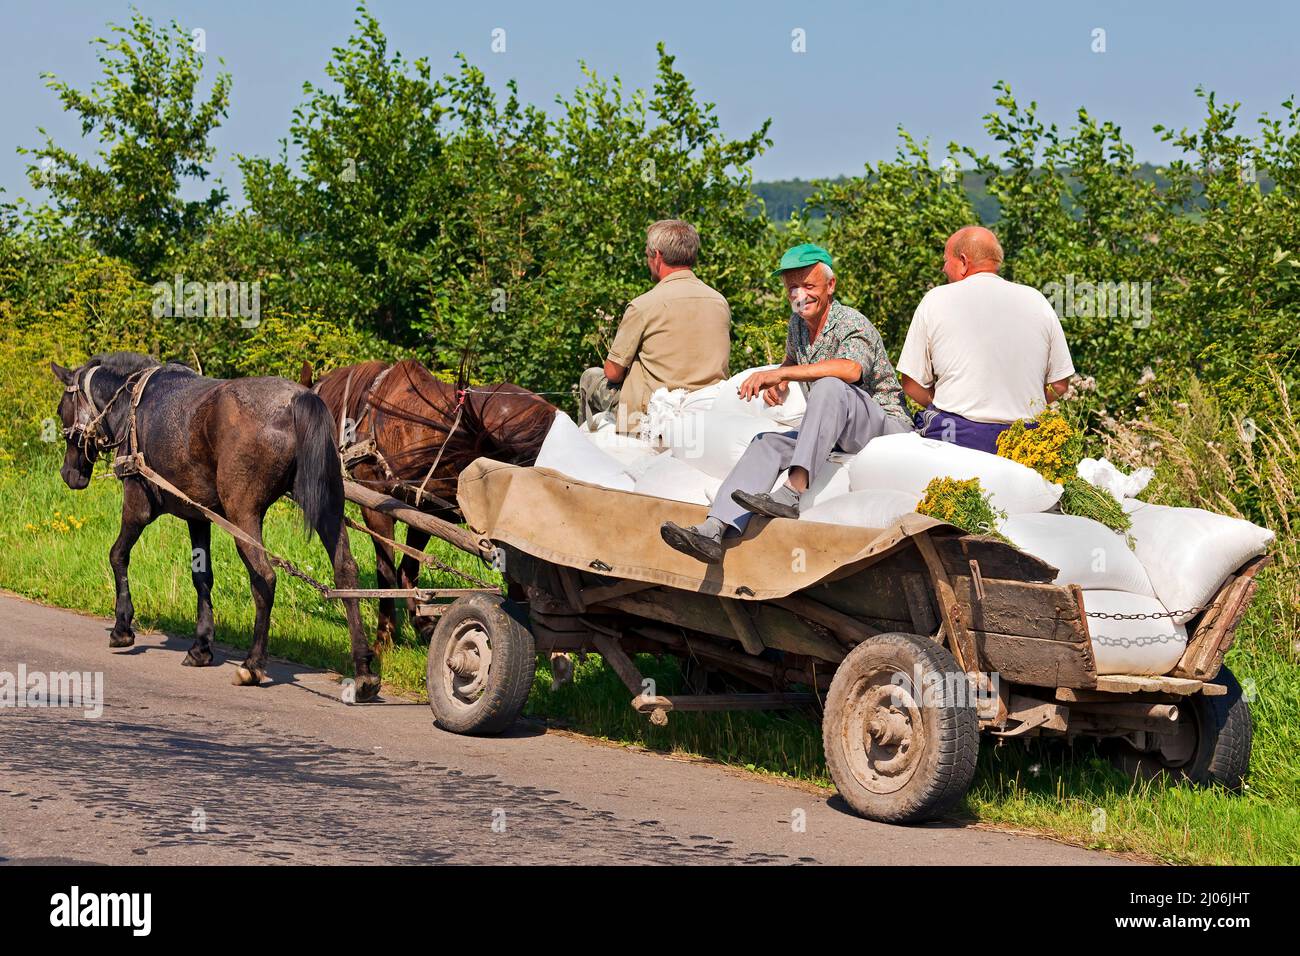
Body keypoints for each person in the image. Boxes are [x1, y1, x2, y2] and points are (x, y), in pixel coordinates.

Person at [661, 243, 912, 564]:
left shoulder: (852, 323)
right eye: (793, 287)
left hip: (882, 428)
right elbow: (792, 360)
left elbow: (850, 370)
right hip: (834, 432)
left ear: (830, 286)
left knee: (830, 386)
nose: (800, 295)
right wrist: (780, 380)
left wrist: (784, 374)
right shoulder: (797, 326)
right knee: (766, 443)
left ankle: (792, 494)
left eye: (808, 286)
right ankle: (713, 529)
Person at [896, 225, 1075, 453]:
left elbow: (910, 383)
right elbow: (1060, 384)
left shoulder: (936, 299)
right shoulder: (1037, 300)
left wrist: (945, 403)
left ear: (963, 261)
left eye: (946, 260)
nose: (943, 268)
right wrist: (1023, 407)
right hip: (1024, 442)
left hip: (957, 436)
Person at [578, 220, 730, 434]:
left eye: (647, 255)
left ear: (657, 256)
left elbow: (612, 373)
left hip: (650, 413)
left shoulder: (643, 305)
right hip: (707, 405)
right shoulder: (719, 301)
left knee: (590, 377)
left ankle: (590, 451)